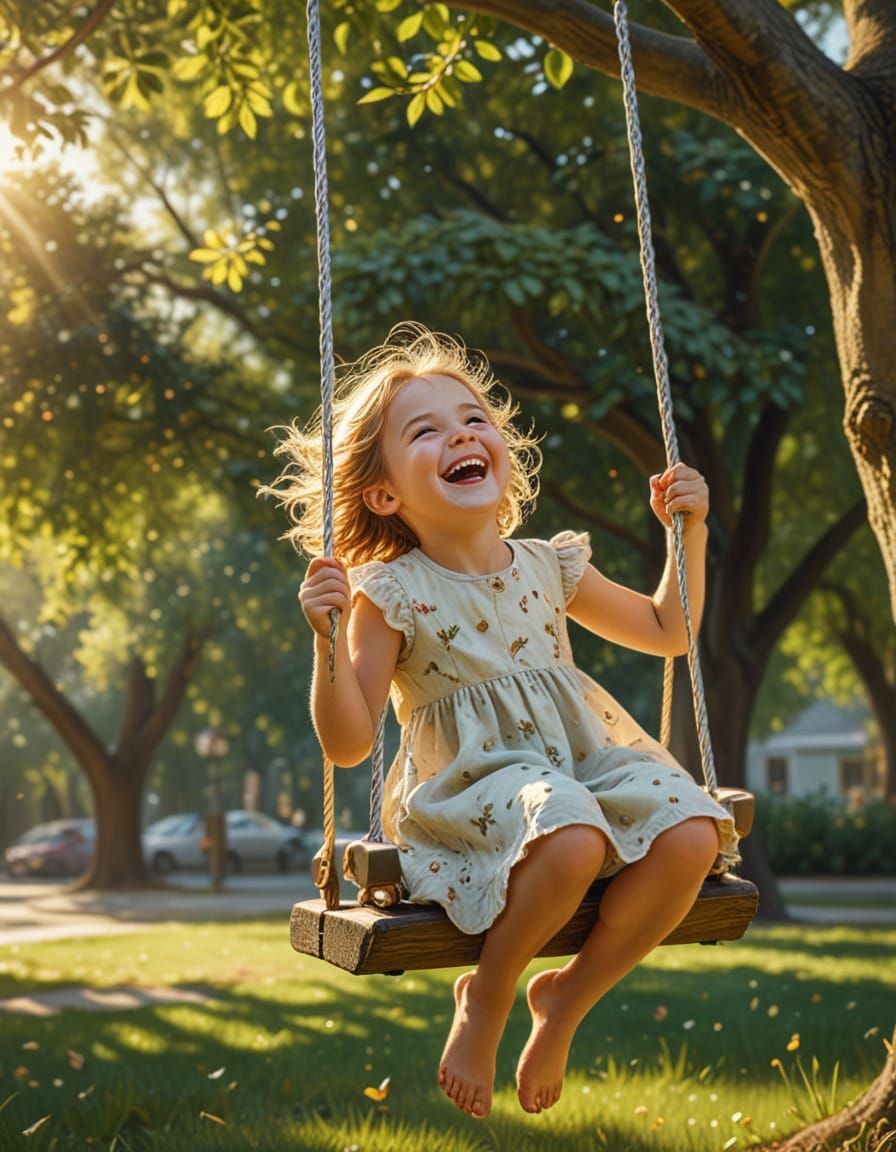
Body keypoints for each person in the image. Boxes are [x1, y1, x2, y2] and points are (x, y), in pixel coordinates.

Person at [266, 322, 739, 1119]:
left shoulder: (549, 566)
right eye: (427, 430)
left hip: (580, 768)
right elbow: (350, 744)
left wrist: (685, 531)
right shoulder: (388, 593)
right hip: (478, 789)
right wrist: (325, 642)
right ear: (385, 495)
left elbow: (669, 630)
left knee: (695, 832)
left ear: (499, 452)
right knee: (572, 833)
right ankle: (486, 999)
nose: (462, 433)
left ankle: (563, 1001)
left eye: (474, 418)